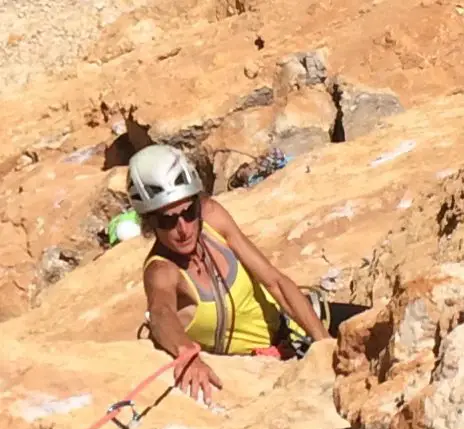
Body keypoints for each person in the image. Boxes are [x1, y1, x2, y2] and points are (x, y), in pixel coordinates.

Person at [126, 144, 367, 405]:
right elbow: (161, 313)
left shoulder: (212, 217)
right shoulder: (162, 270)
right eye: (167, 220)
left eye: (188, 212)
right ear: (150, 223)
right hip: (265, 361)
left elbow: (274, 281)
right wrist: (188, 354)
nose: (183, 228)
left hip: (297, 324)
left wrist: (323, 342)